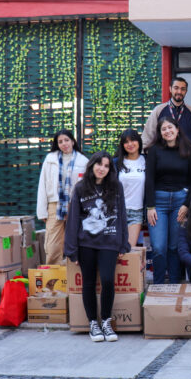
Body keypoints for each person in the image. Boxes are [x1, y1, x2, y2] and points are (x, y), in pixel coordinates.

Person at [64, 151, 130, 342]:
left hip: (109, 241)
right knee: (89, 282)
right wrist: (71, 249)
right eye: (99, 164)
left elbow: (122, 215)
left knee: (108, 280)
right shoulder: (80, 188)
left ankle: (106, 321)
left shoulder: (116, 187)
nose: (102, 168)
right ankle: (93, 323)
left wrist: (123, 243)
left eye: (106, 166)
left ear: (110, 169)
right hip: (86, 243)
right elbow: (73, 220)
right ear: (92, 165)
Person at [145, 117, 191, 283]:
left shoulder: (189, 150)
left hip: (179, 202)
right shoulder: (154, 151)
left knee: (175, 247)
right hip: (158, 203)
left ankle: (175, 285)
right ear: (160, 133)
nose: (167, 131)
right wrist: (150, 206)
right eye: (163, 129)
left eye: (170, 127)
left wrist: (187, 204)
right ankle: (158, 285)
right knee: (159, 247)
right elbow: (149, 180)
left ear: (177, 129)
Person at [36, 129, 88, 265]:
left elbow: (87, 187)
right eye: (60, 142)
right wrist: (42, 211)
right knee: (53, 243)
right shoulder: (50, 159)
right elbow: (43, 184)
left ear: (72, 141)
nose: (64, 144)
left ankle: (72, 273)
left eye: (66, 140)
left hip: (75, 205)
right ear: (57, 144)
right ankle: (52, 273)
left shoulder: (83, 161)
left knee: (75, 240)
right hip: (54, 205)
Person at [142, 77, 191, 182]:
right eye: (176, 88)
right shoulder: (158, 110)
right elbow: (147, 136)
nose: (179, 91)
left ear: (186, 91)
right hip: (163, 162)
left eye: (183, 89)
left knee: (188, 190)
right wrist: (145, 159)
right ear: (170, 89)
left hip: (188, 162)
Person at [114, 128, 145, 247]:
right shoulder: (116, 162)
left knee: (129, 248)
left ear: (139, 141)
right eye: (126, 142)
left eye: (133, 140)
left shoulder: (146, 161)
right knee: (115, 247)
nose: (130, 144)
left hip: (137, 211)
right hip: (118, 210)